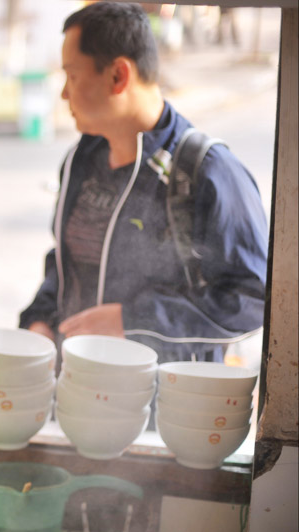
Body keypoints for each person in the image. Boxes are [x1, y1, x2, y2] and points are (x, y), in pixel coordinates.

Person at [19, 2, 267, 363]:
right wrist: (40, 320)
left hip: (164, 410)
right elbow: (67, 261)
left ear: (118, 76)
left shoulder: (208, 172)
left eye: (71, 75)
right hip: (77, 393)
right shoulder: (81, 159)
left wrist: (130, 321)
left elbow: (253, 300)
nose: (63, 94)